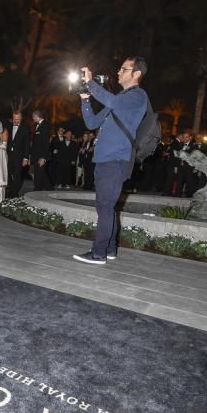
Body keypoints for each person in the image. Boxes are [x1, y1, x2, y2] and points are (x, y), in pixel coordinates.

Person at [73, 56, 149, 265]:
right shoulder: (120, 99)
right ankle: (110, 249)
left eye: (123, 69)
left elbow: (112, 102)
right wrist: (85, 99)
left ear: (136, 74)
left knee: (105, 206)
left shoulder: (137, 96)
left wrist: (90, 83)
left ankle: (98, 253)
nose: (118, 72)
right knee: (106, 206)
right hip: (105, 159)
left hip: (116, 159)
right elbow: (91, 123)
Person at [6, 110, 30, 198]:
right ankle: (11, 190)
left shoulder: (25, 128)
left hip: (19, 156)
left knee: (17, 175)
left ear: (21, 118)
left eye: (18, 119)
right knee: (7, 174)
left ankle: (14, 193)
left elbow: (27, 144)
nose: (16, 121)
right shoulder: (8, 126)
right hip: (8, 155)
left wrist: (26, 158)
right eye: (14, 119)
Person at [30, 108, 53, 191]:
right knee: (41, 174)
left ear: (36, 116)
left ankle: (37, 191)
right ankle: (50, 190)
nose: (32, 118)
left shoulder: (45, 125)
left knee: (39, 175)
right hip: (36, 155)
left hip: (41, 156)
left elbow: (45, 143)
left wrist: (43, 157)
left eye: (33, 116)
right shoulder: (38, 125)